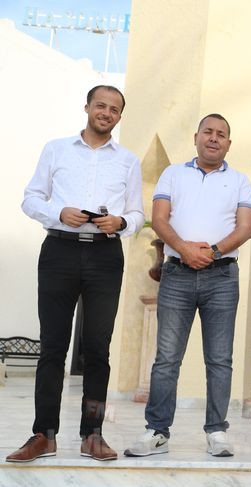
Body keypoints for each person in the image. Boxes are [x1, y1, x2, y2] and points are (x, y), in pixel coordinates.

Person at [8, 85, 144, 463]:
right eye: (100, 105)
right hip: (59, 250)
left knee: (97, 348)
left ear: (119, 116)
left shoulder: (128, 161)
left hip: (105, 255)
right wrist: (59, 213)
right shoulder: (56, 149)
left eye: (114, 109)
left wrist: (120, 222)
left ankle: (92, 434)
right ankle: (44, 434)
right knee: (53, 345)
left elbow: (137, 214)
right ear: (87, 107)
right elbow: (30, 198)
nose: (106, 113)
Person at [124, 114, 251, 458]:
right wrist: (185, 250)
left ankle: (217, 432)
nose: (214, 138)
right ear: (196, 137)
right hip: (177, 275)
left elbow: (245, 228)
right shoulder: (173, 174)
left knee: (220, 359)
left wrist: (211, 252)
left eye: (221, 134)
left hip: (222, 277)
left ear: (229, 143)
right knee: (167, 358)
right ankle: (157, 431)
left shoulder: (239, 181)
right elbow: (160, 219)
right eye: (208, 132)